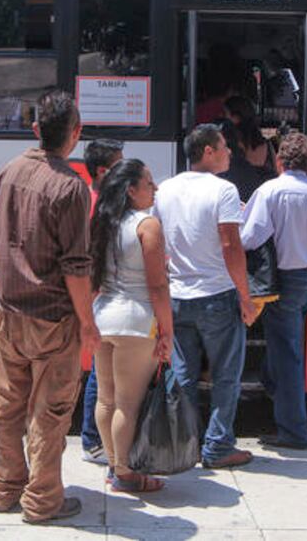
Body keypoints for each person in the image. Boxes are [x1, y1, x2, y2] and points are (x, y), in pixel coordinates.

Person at [0, 89, 101, 525]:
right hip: (54, 320)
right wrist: (88, 323)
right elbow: (75, 266)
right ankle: (43, 500)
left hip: (9, 315)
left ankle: (4, 489)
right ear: (76, 134)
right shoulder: (71, 187)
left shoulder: (8, 173)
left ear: (35, 130)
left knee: (7, 407)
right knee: (49, 415)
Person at [153, 123, 258, 469]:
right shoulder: (224, 190)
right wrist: (246, 296)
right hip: (217, 295)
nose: (230, 152)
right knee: (226, 375)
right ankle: (218, 446)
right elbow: (230, 245)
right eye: (224, 146)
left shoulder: (165, 189)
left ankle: (184, 444)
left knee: (183, 375)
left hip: (177, 296)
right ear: (208, 152)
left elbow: (156, 242)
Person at [240, 132, 307, 450]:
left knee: (288, 354)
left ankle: (293, 432)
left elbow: (250, 238)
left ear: (279, 161)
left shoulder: (271, 191)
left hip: (287, 280)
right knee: (285, 347)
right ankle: (271, 381)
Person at [90, 159, 174, 493]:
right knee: (128, 403)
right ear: (131, 190)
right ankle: (124, 473)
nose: (154, 189)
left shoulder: (104, 223)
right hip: (136, 322)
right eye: (149, 183)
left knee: (106, 400)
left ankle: (114, 465)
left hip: (103, 317)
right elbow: (158, 286)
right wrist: (167, 330)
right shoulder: (147, 225)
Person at [79, 138, 125, 465]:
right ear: (103, 170)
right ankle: (93, 440)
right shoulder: (99, 203)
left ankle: (95, 439)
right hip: (99, 295)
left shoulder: (94, 199)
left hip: (98, 294)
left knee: (102, 371)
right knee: (100, 372)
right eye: (119, 165)